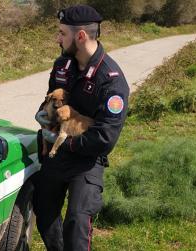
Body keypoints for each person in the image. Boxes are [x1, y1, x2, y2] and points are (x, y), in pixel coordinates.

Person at [33, 4, 129, 251]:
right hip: (57, 151)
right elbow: (51, 101)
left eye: (62, 33)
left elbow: (105, 138)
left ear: (81, 36)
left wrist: (68, 143)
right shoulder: (62, 65)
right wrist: (44, 115)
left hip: (86, 158)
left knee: (76, 221)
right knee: (43, 211)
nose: (58, 38)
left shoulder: (111, 81)